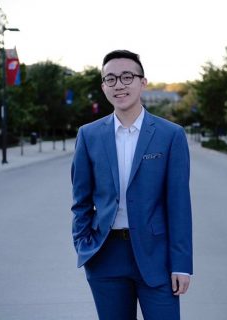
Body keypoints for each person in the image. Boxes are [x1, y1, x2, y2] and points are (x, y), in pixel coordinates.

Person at [71, 49, 193, 320]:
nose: (119, 85)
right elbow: (80, 200)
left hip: (156, 257)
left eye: (127, 77)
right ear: (103, 87)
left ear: (143, 82)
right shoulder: (88, 135)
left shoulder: (170, 135)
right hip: (105, 256)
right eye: (110, 79)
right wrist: (83, 244)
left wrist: (182, 265)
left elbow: (179, 206)